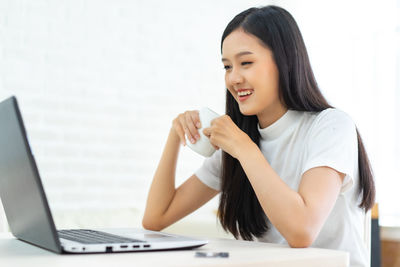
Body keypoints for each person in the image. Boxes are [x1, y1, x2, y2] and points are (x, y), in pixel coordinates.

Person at [142, 5, 375, 267]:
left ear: (284, 61)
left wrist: (245, 149)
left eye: (246, 63)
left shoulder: (330, 127)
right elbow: (155, 218)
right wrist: (176, 136)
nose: (234, 78)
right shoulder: (239, 143)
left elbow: (302, 231)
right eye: (227, 67)